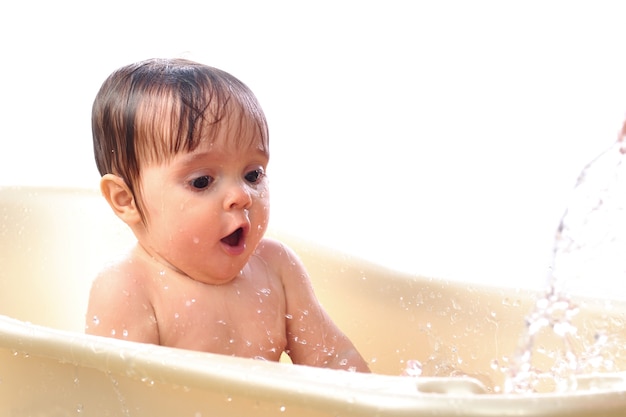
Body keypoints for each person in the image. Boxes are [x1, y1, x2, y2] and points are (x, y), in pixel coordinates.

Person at [85, 58, 370, 373]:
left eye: (252, 174)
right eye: (202, 181)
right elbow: (118, 399)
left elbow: (333, 360)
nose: (242, 196)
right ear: (126, 200)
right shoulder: (128, 288)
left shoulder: (276, 269)